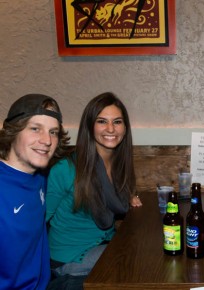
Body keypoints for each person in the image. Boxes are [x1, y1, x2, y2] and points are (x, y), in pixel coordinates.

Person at [46, 92, 142, 287]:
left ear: (125, 128)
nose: (110, 129)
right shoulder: (65, 169)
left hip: (102, 247)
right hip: (69, 259)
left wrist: (128, 196)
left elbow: (110, 195)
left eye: (117, 122)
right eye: (101, 121)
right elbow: (38, 220)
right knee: (138, 260)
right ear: (90, 126)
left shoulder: (118, 165)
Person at [0, 94, 69, 289]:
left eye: (53, 132)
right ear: (12, 132)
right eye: (35, 129)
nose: (47, 140)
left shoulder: (40, 177)